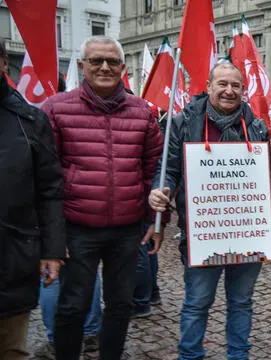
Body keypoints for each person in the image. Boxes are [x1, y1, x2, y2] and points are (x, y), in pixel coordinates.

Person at [41, 35, 166, 360]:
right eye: (96, 61)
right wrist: (52, 238)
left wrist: (159, 220)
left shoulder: (142, 111)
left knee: (121, 304)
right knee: (72, 305)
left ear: (123, 68)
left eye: (112, 61)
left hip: (127, 230)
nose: (105, 67)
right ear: (82, 66)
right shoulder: (56, 109)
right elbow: (44, 179)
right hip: (76, 230)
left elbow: (156, 170)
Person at [148, 62, 271, 360]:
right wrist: (161, 188)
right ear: (208, 86)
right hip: (203, 233)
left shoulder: (256, 126)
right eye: (222, 84)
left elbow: (269, 178)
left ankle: (238, 355)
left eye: (235, 85)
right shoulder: (183, 123)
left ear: (243, 91)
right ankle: (190, 355)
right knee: (197, 301)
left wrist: (267, 216)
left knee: (241, 302)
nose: (229, 91)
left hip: (246, 235)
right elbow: (167, 170)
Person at [0, 39, 66, 360]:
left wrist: (52, 250)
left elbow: (50, 190)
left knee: (11, 348)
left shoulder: (30, 121)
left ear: (2, 63)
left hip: (11, 258)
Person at [35, 73, 104, 359]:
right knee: (69, 272)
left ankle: (59, 337)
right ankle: (87, 333)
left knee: (55, 272)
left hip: (61, 206)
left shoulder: (47, 111)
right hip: (79, 207)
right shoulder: (55, 111)